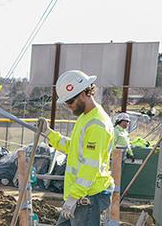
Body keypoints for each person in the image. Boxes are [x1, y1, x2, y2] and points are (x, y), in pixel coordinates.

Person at [40, 70, 115, 225]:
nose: (68, 106)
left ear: (83, 94)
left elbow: (90, 167)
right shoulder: (85, 118)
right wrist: (49, 134)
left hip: (88, 196)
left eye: (70, 102)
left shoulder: (97, 124)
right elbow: (72, 147)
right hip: (79, 193)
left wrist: (74, 197)